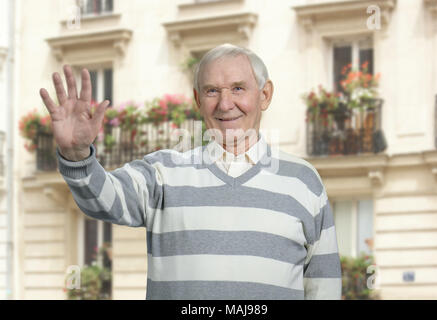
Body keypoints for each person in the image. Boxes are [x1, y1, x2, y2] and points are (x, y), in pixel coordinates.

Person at [39, 43, 341, 300]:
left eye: (238, 88)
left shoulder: (304, 182)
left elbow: (324, 286)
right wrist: (76, 154)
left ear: (264, 95)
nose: (225, 104)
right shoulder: (162, 173)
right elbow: (103, 199)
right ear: (198, 100)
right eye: (212, 91)